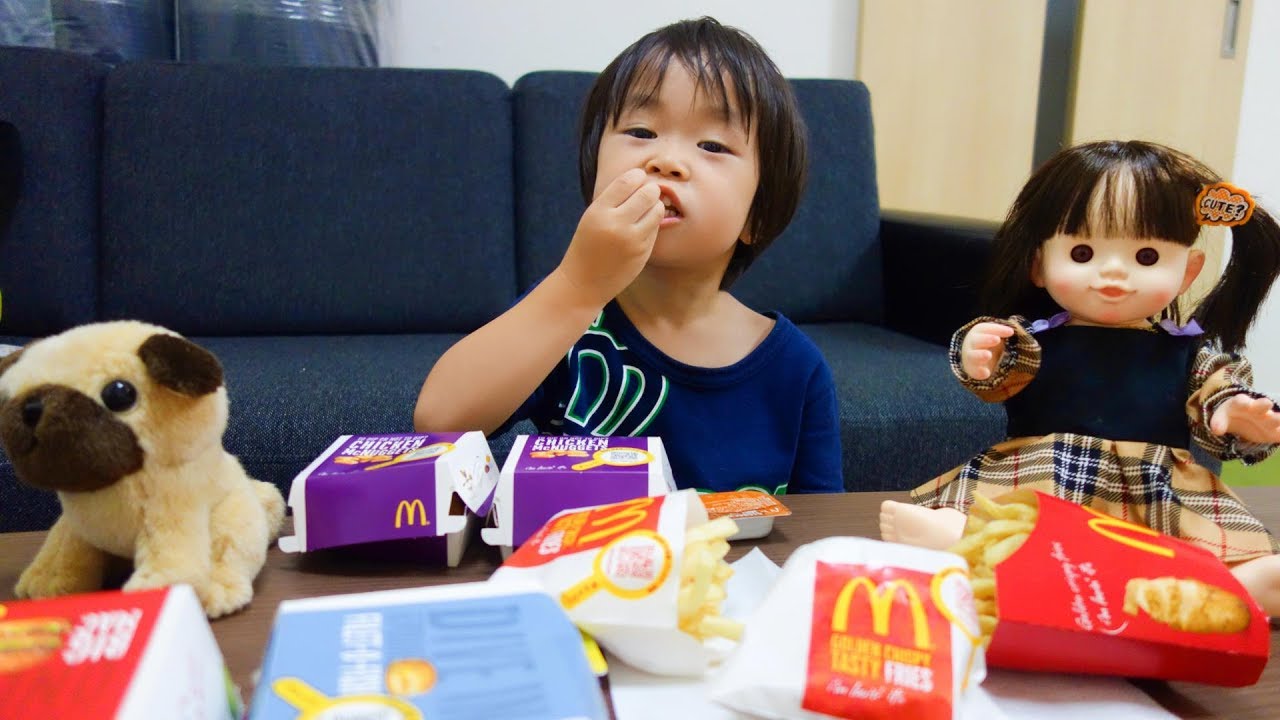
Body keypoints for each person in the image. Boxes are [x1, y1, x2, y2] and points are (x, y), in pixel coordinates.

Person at [413, 17, 843, 495]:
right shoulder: (570, 315)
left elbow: (818, 529)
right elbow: (439, 421)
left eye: (712, 145)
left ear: (756, 217)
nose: (665, 160)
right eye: (640, 131)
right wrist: (579, 285)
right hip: (585, 565)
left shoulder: (796, 369)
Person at [880, 140, 1280, 616]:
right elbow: (999, 377)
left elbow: (1217, 395)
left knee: (1185, 547)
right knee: (1015, 523)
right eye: (1084, 251)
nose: (1113, 273)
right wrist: (976, 355)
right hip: (1046, 471)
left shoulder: (1191, 353)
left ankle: (1229, 588)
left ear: (1189, 271)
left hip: (1153, 490)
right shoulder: (1031, 341)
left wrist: (1236, 412)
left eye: (1147, 257)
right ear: (1039, 264)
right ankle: (970, 543)